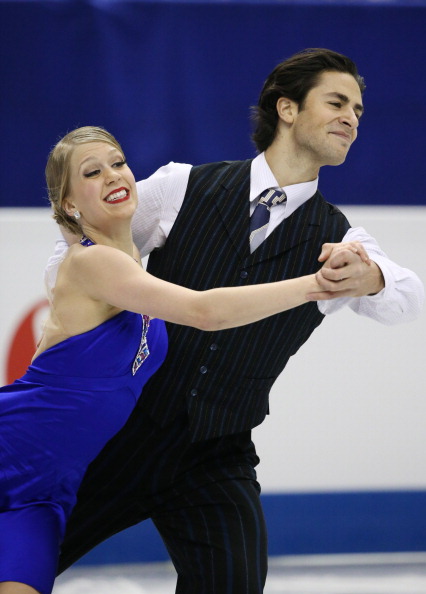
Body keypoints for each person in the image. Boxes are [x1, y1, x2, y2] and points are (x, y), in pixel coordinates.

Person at [49, 50, 424, 593]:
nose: (352, 119)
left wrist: (374, 279)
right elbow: (71, 260)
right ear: (287, 108)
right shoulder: (182, 186)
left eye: (359, 111)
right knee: (21, 562)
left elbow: (409, 299)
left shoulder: (341, 242)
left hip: (216, 455)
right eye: (337, 103)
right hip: (121, 433)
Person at [0, 125, 351, 594]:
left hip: (46, 494)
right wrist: (317, 284)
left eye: (118, 163)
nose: (112, 175)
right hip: (11, 452)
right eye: (92, 172)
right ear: (69, 205)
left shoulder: (133, 267)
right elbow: (204, 312)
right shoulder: (91, 263)